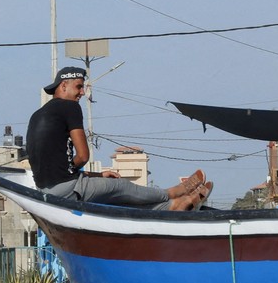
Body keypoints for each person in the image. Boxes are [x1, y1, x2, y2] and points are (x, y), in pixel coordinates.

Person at [25, 66, 212, 210]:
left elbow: (56, 166)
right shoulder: (69, 107)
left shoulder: (37, 114)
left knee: (119, 199)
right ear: (63, 86)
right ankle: (173, 193)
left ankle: (173, 207)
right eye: (79, 87)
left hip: (46, 191)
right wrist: (82, 175)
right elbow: (83, 156)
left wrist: (97, 175)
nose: (82, 92)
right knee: (120, 186)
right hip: (66, 188)